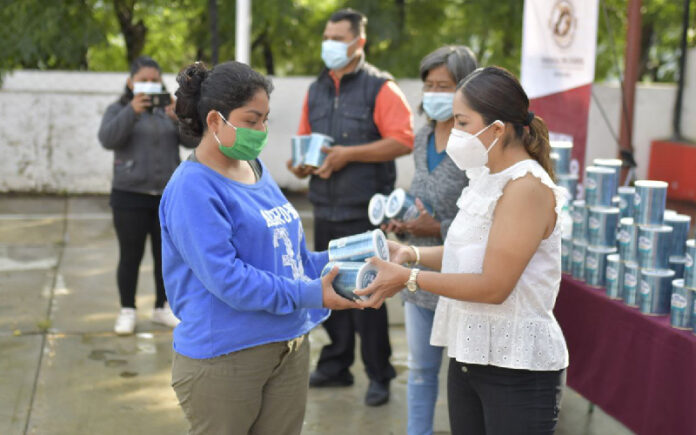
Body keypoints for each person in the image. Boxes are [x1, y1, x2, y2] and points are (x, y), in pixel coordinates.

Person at [357, 66, 568, 435]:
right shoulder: (486, 177)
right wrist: (411, 254)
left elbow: (493, 286)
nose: (453, 133)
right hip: (470, 356)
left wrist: (409, 279)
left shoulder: (526, 188)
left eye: (462, 122)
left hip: (516, 370)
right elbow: (468, 251)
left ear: (497, 129)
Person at [159, 61, 358, 435]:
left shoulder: (253, 166)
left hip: (287, 346)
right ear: (215, 121)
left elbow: (291, 259)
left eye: (265, 119)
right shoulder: (193, 189)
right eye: (251, 120)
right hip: (227, 358)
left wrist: (351, 257)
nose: (262, 130)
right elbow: (229, 280)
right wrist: (314, 293)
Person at [287, 7, 415, 407]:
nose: (331, 45)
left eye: (339, 38)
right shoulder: (317, 88)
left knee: (369, 297)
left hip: (364, 211)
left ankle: (379, 374)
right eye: (327, 36)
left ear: (359, 42)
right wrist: (299, 163)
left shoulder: (382, 88)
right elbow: (302, 142)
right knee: (331, 290)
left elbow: (403, 139)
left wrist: (349, 155)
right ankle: (335, 365)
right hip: (325, 205)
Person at [382, 45, 477, 435]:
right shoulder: (422, 138)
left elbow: (485, 220)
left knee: (467, 380)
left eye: (445, 85)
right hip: (418, 277)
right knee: (420, 372)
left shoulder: (476, 143)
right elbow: (424, 196)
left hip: (461, 280)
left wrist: (434, 228)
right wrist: (402, 219)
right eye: (429, 85)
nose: (435, 92)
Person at [98, 56, 196, 335]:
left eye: (154, 80)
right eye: (143, 80)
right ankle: (127, 310)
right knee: (130, 256)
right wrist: (132, 111)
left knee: (165, 256)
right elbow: (107, 139)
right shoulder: (118, 109)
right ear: (130, 82)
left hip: (167, 196)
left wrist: (181, 119)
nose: (150, 85)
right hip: (129, 195)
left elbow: (192, 142)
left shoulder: (168, 110)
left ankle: (162, 307)